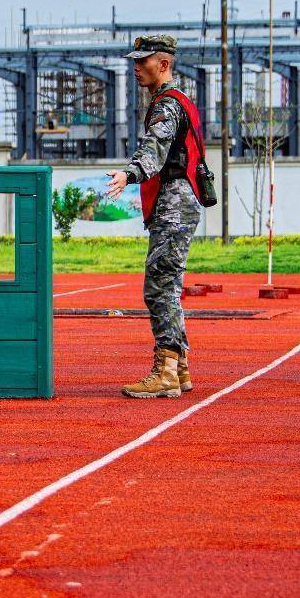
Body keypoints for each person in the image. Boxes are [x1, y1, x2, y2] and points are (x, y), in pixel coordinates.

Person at [105, 35, 203, 398]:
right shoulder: (178, 101)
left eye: (142, 61)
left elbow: (155, 147)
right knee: (169, 285)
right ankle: (178, 368)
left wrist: (129, 173)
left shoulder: (167, 106)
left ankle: (165, 371)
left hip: (175, 202)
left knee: (159, 285)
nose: (135, 67)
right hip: (181, 200)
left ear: (163, 64)